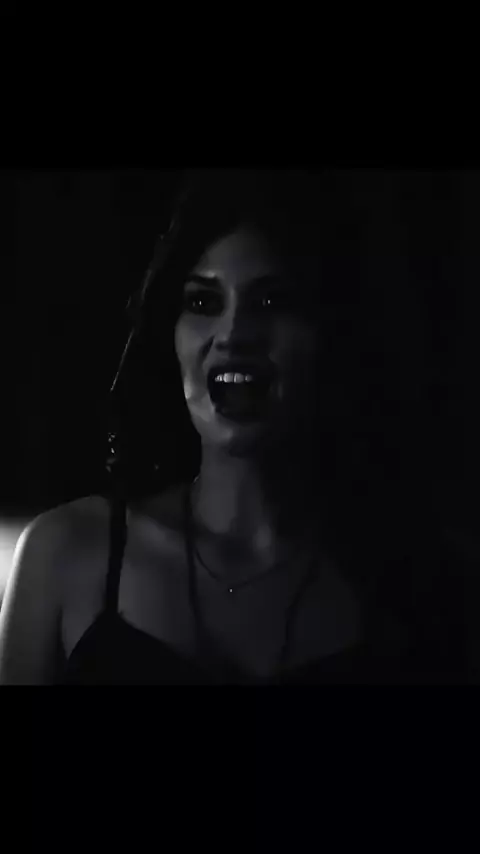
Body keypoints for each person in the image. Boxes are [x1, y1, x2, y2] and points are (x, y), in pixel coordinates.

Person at [0, 169, 471, 684]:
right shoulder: (64, 555)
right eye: (203, 302)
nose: (233, 333)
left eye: (272, 301)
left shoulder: (424, 576)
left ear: (332, 333)